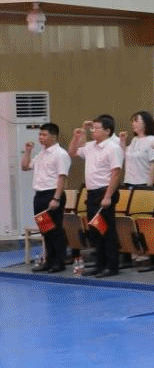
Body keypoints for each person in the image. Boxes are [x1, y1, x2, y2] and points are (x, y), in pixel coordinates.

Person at [73, 116, 123, 276]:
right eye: (92, 128)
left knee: (106, 231)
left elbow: (116, 173)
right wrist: (80, 132)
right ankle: (100, 264)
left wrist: (108, 196)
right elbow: (72, 152)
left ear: (107, 131)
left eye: (96, 128)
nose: (92, 131)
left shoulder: (113, 148)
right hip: (92, 193)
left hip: (104, 192)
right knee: (95, 230)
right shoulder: (90, 146)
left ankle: (111, 266)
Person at [23, 122, 69, 272]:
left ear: (53, 136)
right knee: (45, 230)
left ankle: (59, 262)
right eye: (40, 134)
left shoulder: (60, 154)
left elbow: (62, 177)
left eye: (44, 135)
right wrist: (28, 151)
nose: (40, 138)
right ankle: (49, 261)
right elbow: (25, 166)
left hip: (52, 194)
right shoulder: (41, 154)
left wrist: (56, 198)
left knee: (55, 230)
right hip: (40, 195)